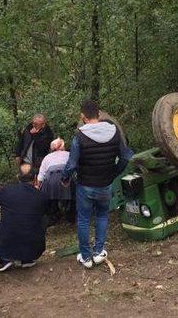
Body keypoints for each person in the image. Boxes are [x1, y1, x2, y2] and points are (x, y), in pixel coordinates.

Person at [62, 100, 133, 269]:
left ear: (82, 116)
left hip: (85, 185)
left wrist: (65, 179)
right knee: (102, 216)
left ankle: (86, 257)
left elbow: (71, 164)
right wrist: (114, 173)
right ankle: (99, 252)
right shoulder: (114, 132)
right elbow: (125, 157)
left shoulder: (79, 136)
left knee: (84, 220)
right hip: (105, 185)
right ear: (99, 114)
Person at [0, 163, 48, 272]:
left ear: (17, 177)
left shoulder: (7, 191)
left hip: (9, 239)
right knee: (36, 224)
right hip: (36, 246)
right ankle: (27, 259)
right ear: (35, 178)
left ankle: (5, 258)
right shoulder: (42, 196)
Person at [37, 138, 73, 226]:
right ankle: (71, 216)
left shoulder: (47, 157)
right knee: (73, 196)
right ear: (63, 147)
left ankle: (53, 215)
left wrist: (38, 189)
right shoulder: (70, 154)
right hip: (67, 180)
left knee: (49, 196)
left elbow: (41, 176)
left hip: (51, 182)